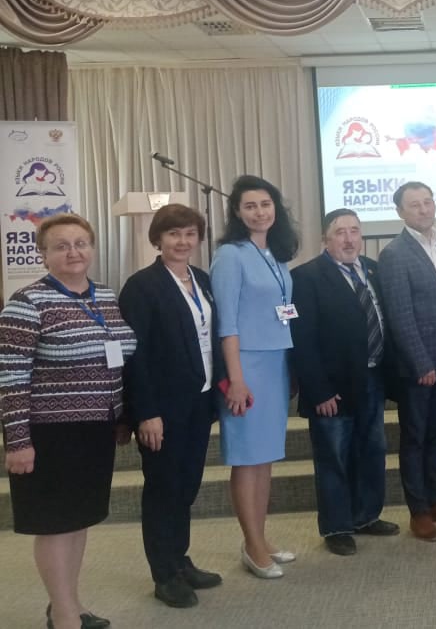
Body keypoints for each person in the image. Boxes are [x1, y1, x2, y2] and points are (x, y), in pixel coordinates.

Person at [0, 214, 136, 629]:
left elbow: (117, 361)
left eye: (81, 243)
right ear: (43, 255)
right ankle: (63, 617)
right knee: (56, 526)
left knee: (78, 521)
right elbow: (10, 377)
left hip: (95, 430)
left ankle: (69, 604)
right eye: (61, 246)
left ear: (92, 248)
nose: (73, 252)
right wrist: (17, 441)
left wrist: (120, 415)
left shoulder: (105, 296)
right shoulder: (26, 302)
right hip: (49, 434)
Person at [119, 204, 225, 607]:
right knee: (163, 489)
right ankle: (164, 575)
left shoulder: (202, 279)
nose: (183, 241)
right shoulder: (142, 286)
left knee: (186, 486)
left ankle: (180, 560)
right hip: (161, 409)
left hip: (200, 400)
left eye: (190, 234)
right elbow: (135, 355)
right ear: (158, 239)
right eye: (174, 234)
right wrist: (145, 412)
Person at [290, 209, 400, 556]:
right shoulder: (306, 277)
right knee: (333, 458)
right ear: (325, 238)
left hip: (372, 378)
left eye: (355, 231)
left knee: (372, 451)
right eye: (340, 232)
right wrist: (318, 390)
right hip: (332, 388)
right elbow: (302, 340)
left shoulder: (372, 270)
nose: (349, 239)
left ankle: (366, 516)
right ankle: (337, 526)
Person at [210, 174, 299, 578]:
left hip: (275, 361)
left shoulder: (275, 254)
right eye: (250, 206)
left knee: (265, 458)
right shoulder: (231, 255)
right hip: (245, 365)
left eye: (265, 204)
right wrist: (236, 379)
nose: (259, 212)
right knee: (247, 458)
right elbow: (226, 324)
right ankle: (252, 544)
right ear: (236, 212)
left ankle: (259, 539)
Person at [379, 182, 436, 542]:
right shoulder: (394, 254)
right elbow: (400, 315)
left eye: (428, 202)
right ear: (400, 212)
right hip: (419, 366)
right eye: (414, 205)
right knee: (415, 437)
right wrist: (421, 362)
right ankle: (418, 511)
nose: (423, 209)